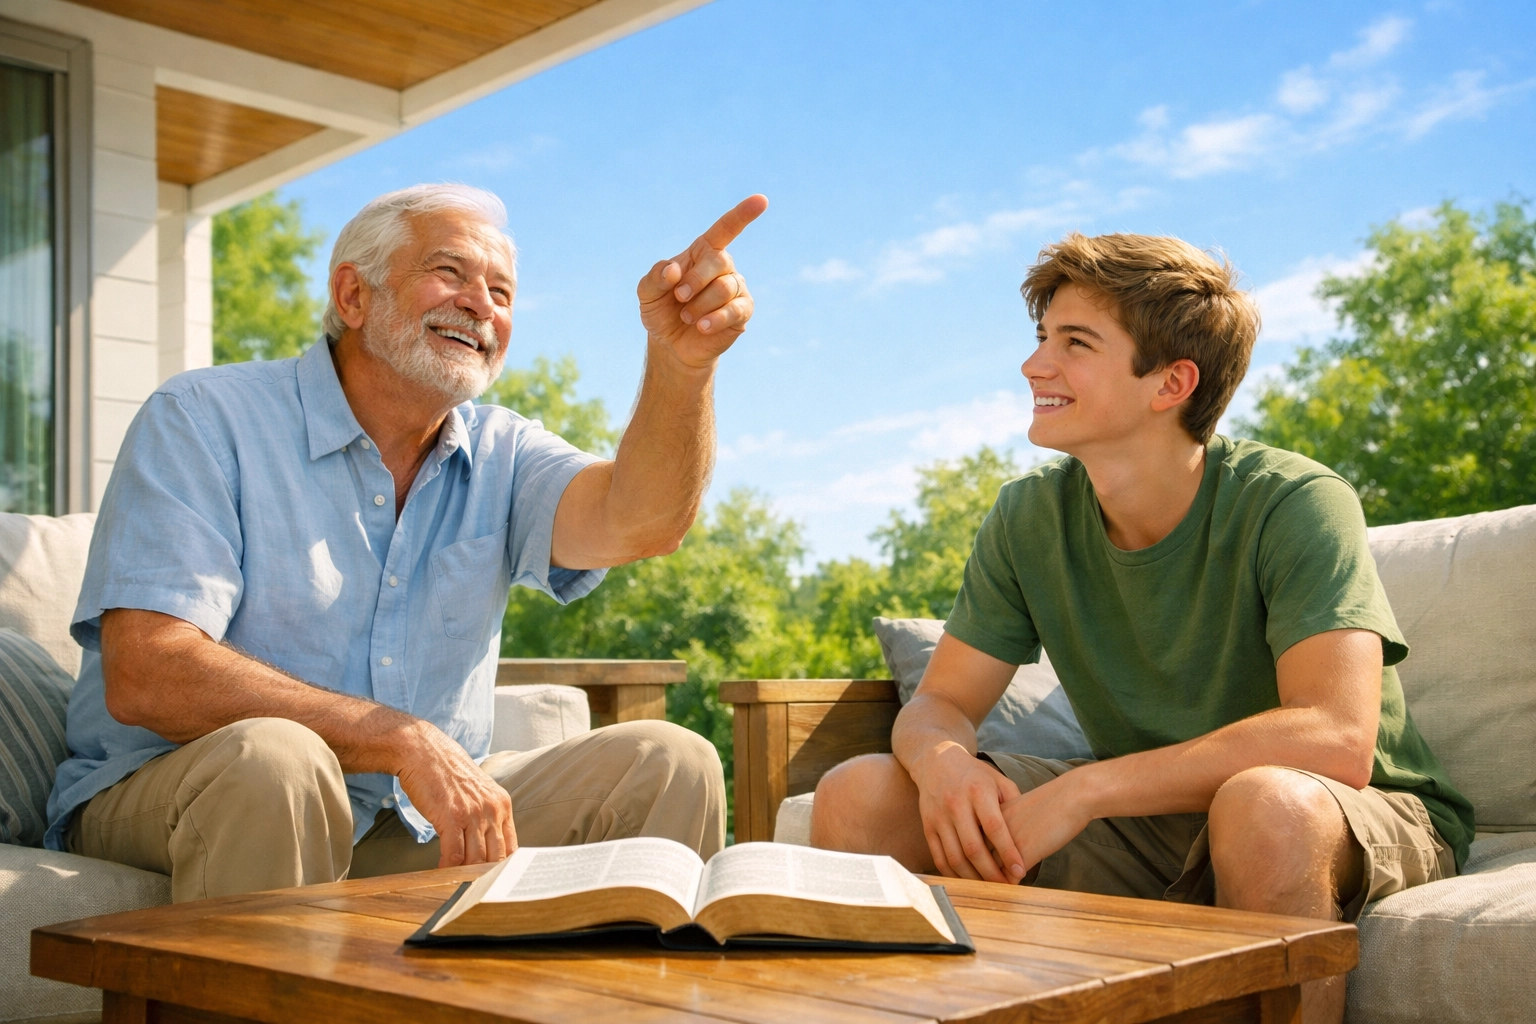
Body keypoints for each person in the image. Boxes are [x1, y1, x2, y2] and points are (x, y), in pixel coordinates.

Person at [811, 231, 1473, 1023]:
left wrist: (1088, 790)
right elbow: (939, 702)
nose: (1034, 366)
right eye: (1041, 338)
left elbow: (1333, 739)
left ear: (1171, 382)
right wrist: (945, 763)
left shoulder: (1296, 501)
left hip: (1345, 817)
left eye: (1075, 343)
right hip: (1149, 826)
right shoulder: (1028, 517)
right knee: (861, 795)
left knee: (1262, 806)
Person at [46, 184, 768, 902]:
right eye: (449, 272)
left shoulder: (503, 451)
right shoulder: (204, 418)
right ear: (353, 298)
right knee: (279, 759)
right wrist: (399, 739)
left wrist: (684, 365)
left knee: (670, 759)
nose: (481, 304)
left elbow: (643, 522)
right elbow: (147, 670)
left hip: (403, 821)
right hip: (184, 793)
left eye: (502, 292)